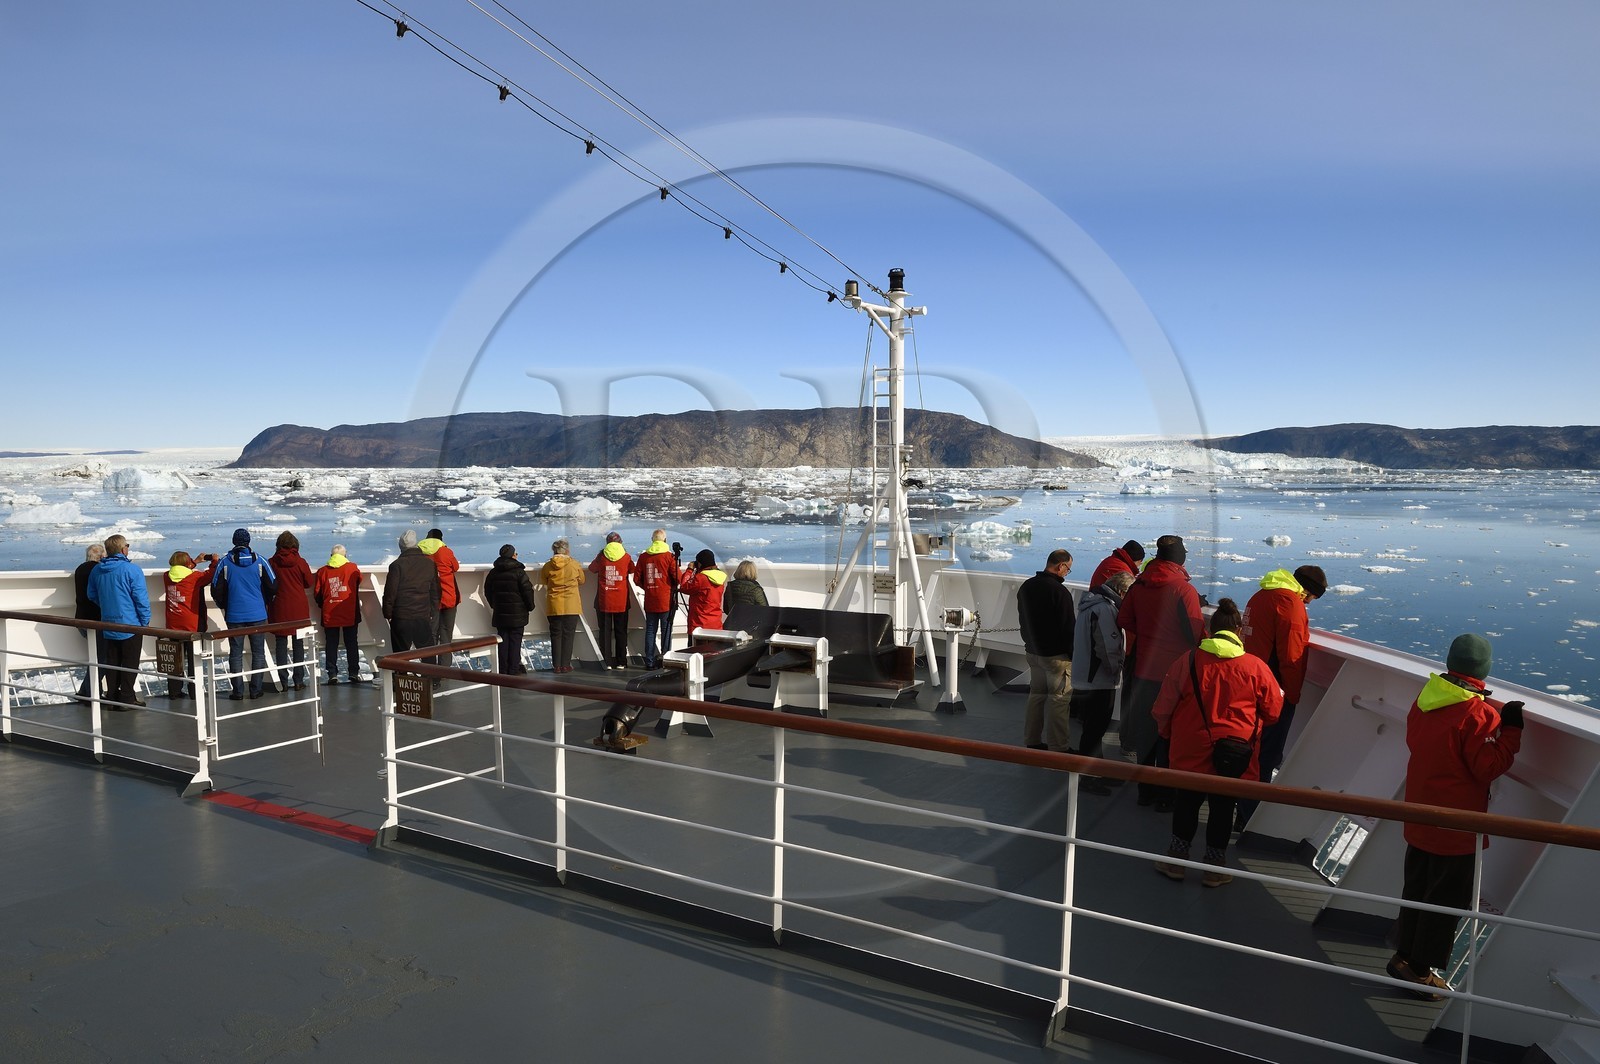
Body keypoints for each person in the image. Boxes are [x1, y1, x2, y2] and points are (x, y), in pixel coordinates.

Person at [1388, 634, 1523, 999]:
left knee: (1416, 890)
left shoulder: (1426, 699)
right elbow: (1488, 767)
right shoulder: (1477, 714)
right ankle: (1419, 971)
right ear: (1483, 670)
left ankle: (1403, 956)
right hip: (1455, 827)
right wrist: (1511, 730)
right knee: (1446, 902)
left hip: (1418, 817)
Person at [1151, 598, 1282, 887]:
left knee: (1186, 803)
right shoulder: (1256, 667)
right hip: (1236, 752)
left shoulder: (1187, 661)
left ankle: (1177, 861)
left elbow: (1163, 708)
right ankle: (1214, 867)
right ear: (1238, 630)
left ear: (1210, 630)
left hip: (1190, 748)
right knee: (1224, 807)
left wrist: (1167, 734)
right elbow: (1273, 712)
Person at [1117, 534, 1206, 808]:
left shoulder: (1139, 585)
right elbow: (1194, 632)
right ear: (1179, 557)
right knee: (1170, 734)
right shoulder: (1183, 590)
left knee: (1146, 732)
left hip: (1144, 670)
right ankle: (1166, 796)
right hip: (1174, 674)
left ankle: (1145, 791)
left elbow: (1124, 619)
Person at [1235, 564, 1328, 827]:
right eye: (1310, 598)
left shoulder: (1261, 595)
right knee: (1266, 755)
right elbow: (1292, 656)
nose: (1307, 603)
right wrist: (1293, 695)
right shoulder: (1290, 603)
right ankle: (1248, 818)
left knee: (1247, 747)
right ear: (1306, 591)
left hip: (1249, 684)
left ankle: (1236, 804)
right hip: (1273, 691)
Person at [1070, 568, 1136, 792]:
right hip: (1097, 681)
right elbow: (1108, 647)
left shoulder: (1093, 605)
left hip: (1087, 678)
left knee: (1093, 729)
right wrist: (1119, 669)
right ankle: (1088, 778)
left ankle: (1097, 772)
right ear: (1121, 590)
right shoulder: (1105, 609)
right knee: (1094, 730)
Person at [1016, 549, 1075, 752]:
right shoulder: (1060, 592)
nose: (1067, 573)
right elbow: (1068, 628)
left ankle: (1032, 740)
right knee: (1059, 701)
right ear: (1060, 566)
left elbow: (1023, 620)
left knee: (1036, 696)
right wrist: (1073, 654)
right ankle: (1059, 747)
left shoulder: (1027, 586)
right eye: (1068, 569)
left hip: (1033, 653)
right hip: (1056, 657)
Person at [86, 534, 152, 709]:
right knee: (130, 663)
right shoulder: (132, 570)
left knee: (112, 662)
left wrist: (107, 607)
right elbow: (141, 598)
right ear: (123, 549)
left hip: (108, 623)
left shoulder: (97, 570)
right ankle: (127, 698)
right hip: (131, 624)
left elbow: (91, 594)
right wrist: (144, 621)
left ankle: (112, 697)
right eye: (127, 545)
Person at [212, 528, 277, 701]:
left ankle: (238, 691)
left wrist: (225, 605)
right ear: (249, 542)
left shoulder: (225, 563)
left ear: (234, 541)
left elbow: (215, 589)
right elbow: (273, 585)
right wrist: (265, 601)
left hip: (234, 615)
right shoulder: (260, 561)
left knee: (235, 653)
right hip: (258, 614)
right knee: (258, 652)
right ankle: (256, 689)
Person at [266, 531, 315, 691]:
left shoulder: (272, 562)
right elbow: (308, 582)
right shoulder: (300, 562)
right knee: (298, 643)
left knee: (281, 644)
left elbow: (268, 583)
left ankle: (283, 682)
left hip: (280, 606)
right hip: (298, 608)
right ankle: (299, 680)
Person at [162, 549, 215, 698]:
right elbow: (211, 575)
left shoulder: (167, 576)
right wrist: (215, 561)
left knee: (175, 659)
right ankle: (195, 692)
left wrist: (196, 561)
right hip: (192, 624)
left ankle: (174, 691)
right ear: (186, 563)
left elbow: (180, 571)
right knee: (194, 659)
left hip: (173, 624)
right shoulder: (195, 577)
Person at [382, 529, 440, 659]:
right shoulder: (429, 564)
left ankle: (401, 678)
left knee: (400, 655)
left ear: (401, 547)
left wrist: (388, 614)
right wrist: (432, 612)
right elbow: (435, 591)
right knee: (427, 652)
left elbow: (390, 593)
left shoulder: (396, 565)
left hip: (401, 616)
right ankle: (431, 677)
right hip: (422, 615)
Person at [314, 544, 364, 684]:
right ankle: (353, 672)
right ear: (345, 556)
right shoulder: (352, 568)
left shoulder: (322, 572)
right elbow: (359, 580)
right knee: (351, 643)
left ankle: (332, 674)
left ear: (331, 556)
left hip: (330, 612)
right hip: (350, 612)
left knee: (331, 644)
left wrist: (324, 605)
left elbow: (317, 593)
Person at [485, 544, 536, 674]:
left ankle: (502, 669)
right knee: (515, 641)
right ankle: (513, 669)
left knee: (502, 641)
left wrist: (494, 605)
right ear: (513, 555)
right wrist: (530, 606)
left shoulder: (493, 573)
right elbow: (527, 591)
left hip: (500, 614)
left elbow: (487, 591)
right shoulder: (519, 572)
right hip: (518, 614)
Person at [634, 529, 681, 669]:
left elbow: (637, 579)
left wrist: (648, 587)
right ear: (665, 540)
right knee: (666, 630)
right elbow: (677, 577)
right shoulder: (669, 557)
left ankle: (649, 661)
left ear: (652, 540)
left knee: (650, 630)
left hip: (650, 599)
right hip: (666, 600)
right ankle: (665, 659)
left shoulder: (644, 557)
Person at [588, 531, 634, 670]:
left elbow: (591, 568)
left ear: (607, 542)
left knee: (605, 631)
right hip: (621, 600)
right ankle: (621, 661)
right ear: (620, 542)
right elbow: (632, 569)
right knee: (621, 631)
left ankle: (606, 661)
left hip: (604, 599)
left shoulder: (602, 556)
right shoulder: (626, 556)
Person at [541, 538, 586, 673]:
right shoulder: (574, 564)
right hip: (571, 604)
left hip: (555, 604)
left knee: (556, 635)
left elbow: (544, 581)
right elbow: (582, 580)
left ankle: (557, 666)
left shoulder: (548, 566)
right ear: (567, 550)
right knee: (568, 635)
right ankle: (566, 664)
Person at [419, 528, 461, 669]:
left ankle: (430, 667)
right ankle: (444, 667)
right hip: (448, 597)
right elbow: (455, 567)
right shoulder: (445, 551)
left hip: (430, 599)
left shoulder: (421, 553)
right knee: (446, 632)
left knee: (431, 633)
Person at [72, 543, 105, 701]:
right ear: (101, 556)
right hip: (95, 620)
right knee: (103, 657)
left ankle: (86, 692)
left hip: (80, 618)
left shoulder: (80, 569)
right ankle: (90, 693)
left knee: (97, 656)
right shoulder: (98, 570)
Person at [679, 549, 727, 635]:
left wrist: (690, 570)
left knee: (696, 649)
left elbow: (684, 587)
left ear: (700, 564)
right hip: (716, 625)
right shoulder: (720, 577)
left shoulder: (701, 578)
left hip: (699, 625)